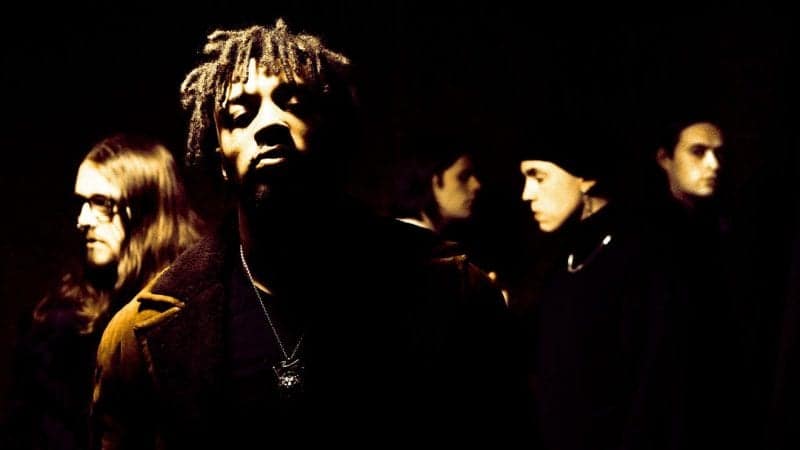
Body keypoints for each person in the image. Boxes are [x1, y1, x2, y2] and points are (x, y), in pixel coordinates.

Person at [90, 19, 518, 449]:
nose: (269, 124)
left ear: (331, 133)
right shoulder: (140, 337)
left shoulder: (454, 294)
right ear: (221, 159)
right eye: (240, 115)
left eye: (294, 104)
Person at [1, 134, 202, 450]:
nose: (82, 220)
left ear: (145, 207)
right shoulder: (57, 323)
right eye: (82, 203)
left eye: (101, 203)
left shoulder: (201, 305)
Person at [512, 116, 680, 450]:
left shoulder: (641, 256)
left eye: (539, 177)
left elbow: (654, 385)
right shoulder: (560, 257)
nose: (527, 194)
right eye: (525, 178)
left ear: (585, 178)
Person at [649, 115, 756, 449]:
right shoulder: (648, 240)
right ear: (664, 158)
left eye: (719, 154)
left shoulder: (726, 230)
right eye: (698, 152)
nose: (713, 164)